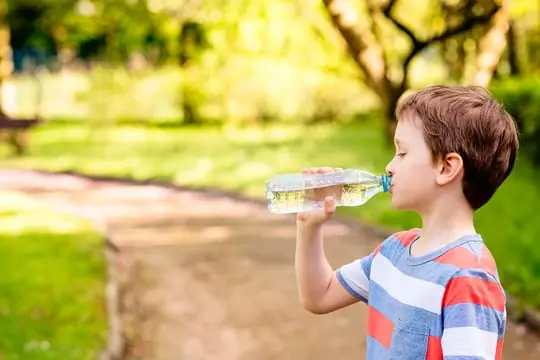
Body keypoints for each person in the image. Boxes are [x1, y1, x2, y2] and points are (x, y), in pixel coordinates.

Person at [295, 85, 519, 359]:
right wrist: (309, 226)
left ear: (446, 168)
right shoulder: (393, 252)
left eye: (402, 153)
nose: (389, 166)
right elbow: (320, 295)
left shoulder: (468, 279)